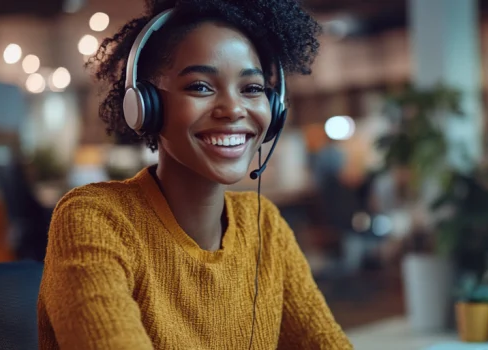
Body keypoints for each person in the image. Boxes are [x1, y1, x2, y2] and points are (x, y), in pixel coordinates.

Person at [36, 0, 352, 349]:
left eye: (252, 88)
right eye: (201, 86)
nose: (233, 109)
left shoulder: (265, 228)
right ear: (145, 105)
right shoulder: (95, 219)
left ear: (274, 109)